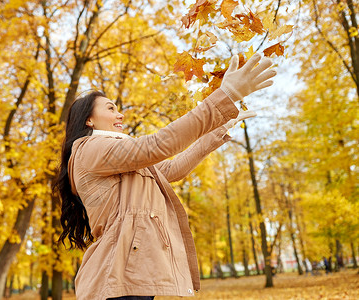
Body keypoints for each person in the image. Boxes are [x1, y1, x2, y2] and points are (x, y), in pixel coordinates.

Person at [53, 54, 276, 300]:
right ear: (89, 119)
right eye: (110, 108)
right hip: (117, 273)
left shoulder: (117, 158)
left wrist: (220, 127)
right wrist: (226, 96)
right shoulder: (89, 149)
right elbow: (159, 144)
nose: (121, 115)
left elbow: (172, 170)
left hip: (133, 271)